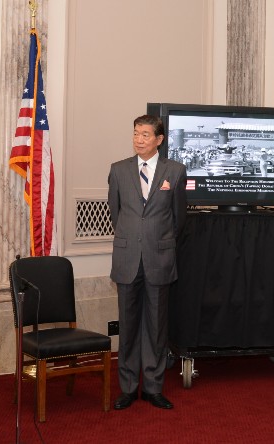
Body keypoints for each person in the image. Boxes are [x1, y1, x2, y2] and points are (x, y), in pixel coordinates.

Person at [108, 114, 187, 411]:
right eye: (135, 134)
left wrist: (156, 240)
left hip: (160, 258)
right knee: (127, 327)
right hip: (127, 258)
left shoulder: (176, 171)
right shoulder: (118, 170)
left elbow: (179, 219)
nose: (138, 139)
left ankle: (153, 387)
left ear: (159, 140)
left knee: (156, 327)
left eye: (145, 134)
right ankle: (128, 387)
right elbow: (116, 214)